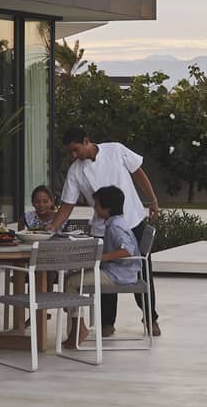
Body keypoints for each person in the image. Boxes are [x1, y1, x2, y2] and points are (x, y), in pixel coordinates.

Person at [46, 127, 162, 337]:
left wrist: (152, 200)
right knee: (105, 272)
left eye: (75, 150)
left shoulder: (116, 150)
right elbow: (67, 204)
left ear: (86, 141)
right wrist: (52, 226)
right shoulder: (76, 170)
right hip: (102, 227)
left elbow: (139, 174)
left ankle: (150, 317)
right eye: (70, 152)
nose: (74, 155)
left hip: (133, 219)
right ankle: (107, 322)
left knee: (143, 270)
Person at [66, 185, 141, 347]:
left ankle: (79, 328)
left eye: (97, 205)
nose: (94, 208)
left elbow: (127, 251)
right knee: (72, 277)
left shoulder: (116, 226)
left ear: (107, 208)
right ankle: (75, 319)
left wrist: (100, 258)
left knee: (71, 282)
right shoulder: (115, 222)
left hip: (118, 275)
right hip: (117, 271)